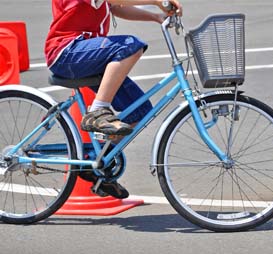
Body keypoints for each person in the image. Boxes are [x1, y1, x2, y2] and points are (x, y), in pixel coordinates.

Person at [44, 0, 182, 198]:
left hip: (87, 55)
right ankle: (98, 111)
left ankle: (100, 162)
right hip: (67, 52)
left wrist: (156, 16)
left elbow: (115, 7)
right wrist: (157, 1)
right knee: (129, 45)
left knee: (140, 110)